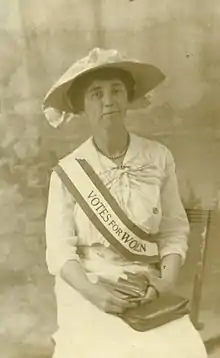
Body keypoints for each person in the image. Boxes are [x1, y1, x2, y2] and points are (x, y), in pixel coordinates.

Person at [43, 48, 207, 358]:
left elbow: (173, 230)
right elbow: (60, 251)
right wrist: (96, 294)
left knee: (181, 350)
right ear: (81, 106)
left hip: (145, 282)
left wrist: (165, 283)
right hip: (88, 284)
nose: (108, 100)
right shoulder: (68, 172)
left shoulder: (158, 157)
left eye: (116, 90)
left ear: (128, 97)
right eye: (96, 93)